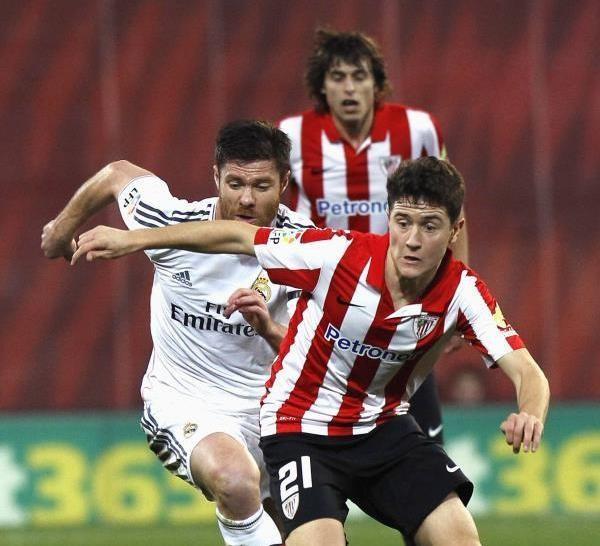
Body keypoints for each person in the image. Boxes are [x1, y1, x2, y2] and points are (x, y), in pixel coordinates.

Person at [69, 156, 550, 546]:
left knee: (459, 538)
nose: (412, 240)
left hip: (382, 428)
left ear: (455, 229)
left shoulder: (464, 292)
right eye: (403, 222)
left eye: (430, 226)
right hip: (301, 429)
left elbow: (528, 372)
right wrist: (134, 239)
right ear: (389, 218)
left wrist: (530, 412)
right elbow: (236, 235)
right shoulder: (337, 254)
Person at [41, 120, 314, 546]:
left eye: (261, 186)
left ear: (284, 183)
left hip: (276, 411)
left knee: (303, 532)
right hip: (186, 400)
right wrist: (61, 228)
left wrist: (267, 327)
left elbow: (311, 355)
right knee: (234, 480)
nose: (246, 198)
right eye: (235, 183)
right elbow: (116, 173)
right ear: (215, 177)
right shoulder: (168, 222)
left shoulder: (307, 250)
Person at [278, 28, 466, 446]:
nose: (349, 88)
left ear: (376, 84)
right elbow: (273, 216)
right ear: (322, 86)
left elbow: (453, 211)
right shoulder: (291, 136)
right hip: (322, 304)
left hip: (400, 301)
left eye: (359, 76)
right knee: (313, 419)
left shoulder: (417, 129)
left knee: (419, 433)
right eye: (338, 77)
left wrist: (454, 303)